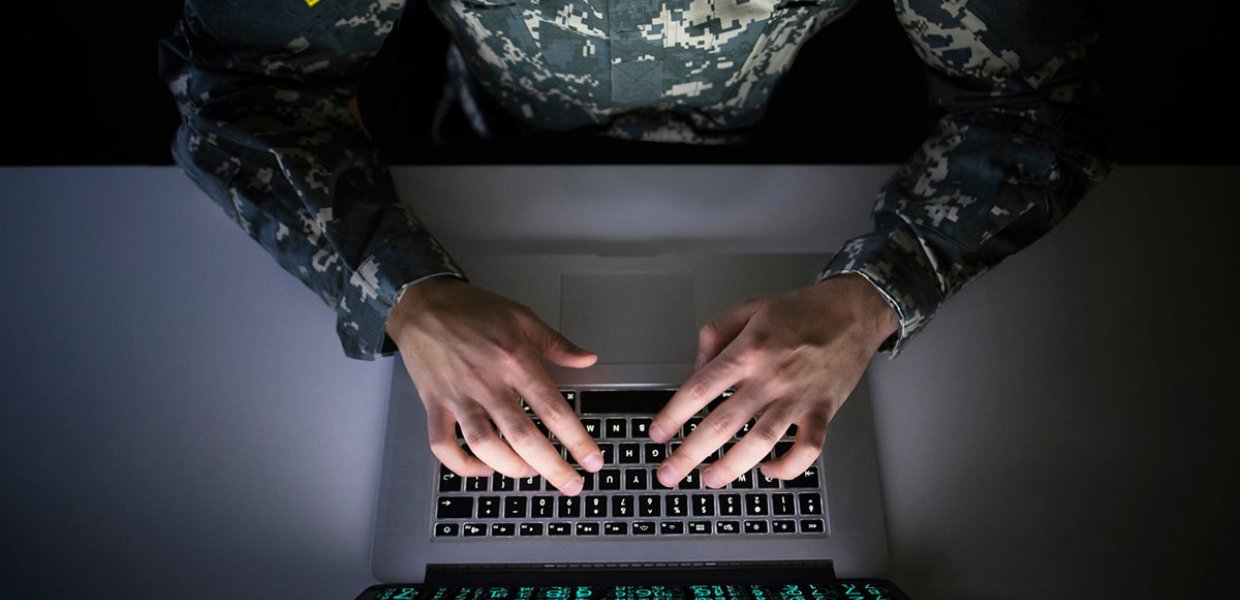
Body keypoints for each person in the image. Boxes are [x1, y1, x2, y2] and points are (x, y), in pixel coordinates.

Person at [160, 0, 1111, 496]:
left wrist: (873, 294)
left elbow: (1039, 104)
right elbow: (244, 93)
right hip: (476, 153)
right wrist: (402, 292)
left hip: (795, 153)